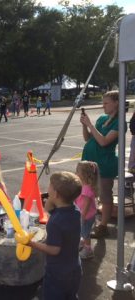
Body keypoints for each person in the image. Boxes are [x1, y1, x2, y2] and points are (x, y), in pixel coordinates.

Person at [28, 171, 82, 300]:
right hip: (75, 268)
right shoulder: (75, 210)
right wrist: (51, 200)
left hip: (58, 272)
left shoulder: (55, 222)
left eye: (50, 186)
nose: (48, 187)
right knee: (71, 296)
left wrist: (31, 244)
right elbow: (51, 209)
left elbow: (54, 249)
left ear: (56, 193)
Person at [80, 90, 120, 238]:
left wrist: (90, 123)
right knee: (88, 193)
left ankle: (103, 226)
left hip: (105, 163)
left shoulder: (119, 122)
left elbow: (103, 142)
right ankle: (91, 221)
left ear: (116, 103)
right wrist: (85, 125)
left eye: (106, 103)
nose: (103, 106)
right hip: (90, 164)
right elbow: (88, 138)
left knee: (105, 196)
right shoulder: (102, 118)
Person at [75, 161, 99, 259]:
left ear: (84, 175)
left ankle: (88, 250)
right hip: (86, 215)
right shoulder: (84, 187)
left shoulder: (86, 190)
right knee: (84, 232)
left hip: (86, 216)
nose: (76, 173)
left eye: (78, 172)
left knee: (86, 234)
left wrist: (82, 217)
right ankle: (83, 242)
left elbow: (86, 206)